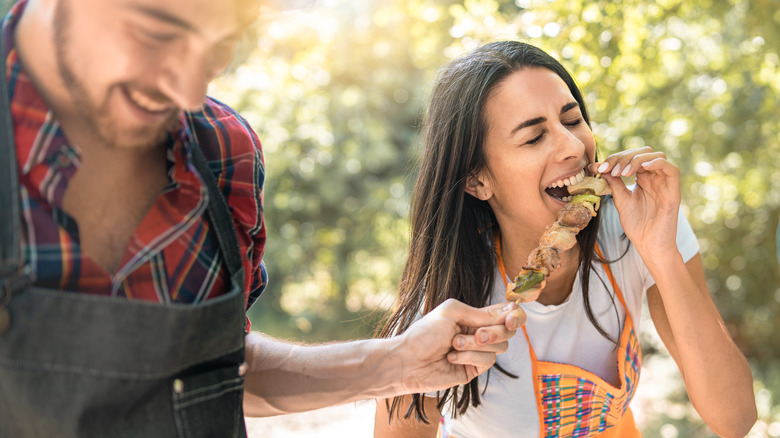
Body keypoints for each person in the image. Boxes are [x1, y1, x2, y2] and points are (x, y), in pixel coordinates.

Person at [0, 1, 526, 437]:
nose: (187, 91)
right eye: (158, 32)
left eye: (222, 44)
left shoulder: (224, 150)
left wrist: (395, 364)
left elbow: (223, 371)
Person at [374, 41, 756, 438]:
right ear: (477, 179)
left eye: (572, 121)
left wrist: (660, 251)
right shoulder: (441, 306)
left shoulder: (642, 228)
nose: (574, 147)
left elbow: (735, 419)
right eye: (534, 137)